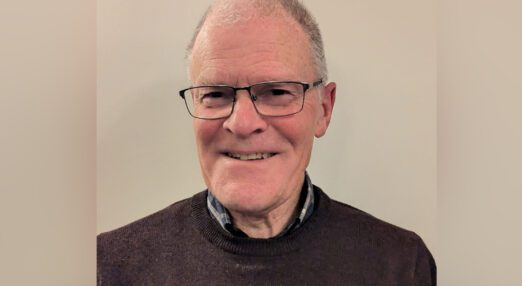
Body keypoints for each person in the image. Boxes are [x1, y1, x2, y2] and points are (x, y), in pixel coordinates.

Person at [97, 0, 436, 285]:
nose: (242, 124)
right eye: (215, 94)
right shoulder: (111, 267)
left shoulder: (401, 265)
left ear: (324, 110)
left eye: (276, 92)